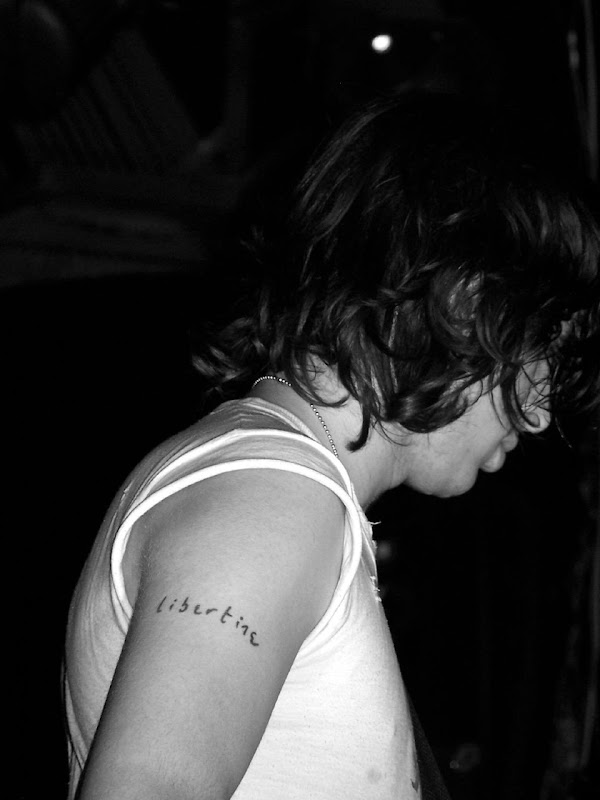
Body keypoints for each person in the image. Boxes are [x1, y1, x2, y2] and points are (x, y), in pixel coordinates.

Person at [63, 92, 600, 800]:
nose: (539, 415)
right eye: (546, 347)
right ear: (467, 304)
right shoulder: (271, 498)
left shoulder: (273, 487)